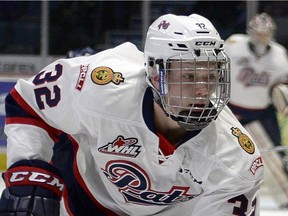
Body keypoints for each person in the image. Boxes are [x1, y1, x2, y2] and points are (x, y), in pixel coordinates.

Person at [0, 14, 264, 216]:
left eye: (210, 76)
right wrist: (29, 169)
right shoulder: (101, 86)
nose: (202, 89)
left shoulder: (235, 159)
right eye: (189, 75)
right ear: (153, 74)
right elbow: (28, 102)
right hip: (81, 199)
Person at [224, 12, 288, 172]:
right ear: (250, 32)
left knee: (278, 145)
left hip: (263, 110)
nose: (261, 38)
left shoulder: (280, 54)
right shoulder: (233, 44)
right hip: (232, 108)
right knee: (224, 145)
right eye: (258, 34)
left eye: (265, 34)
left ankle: (284, 170)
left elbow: (282, 84)